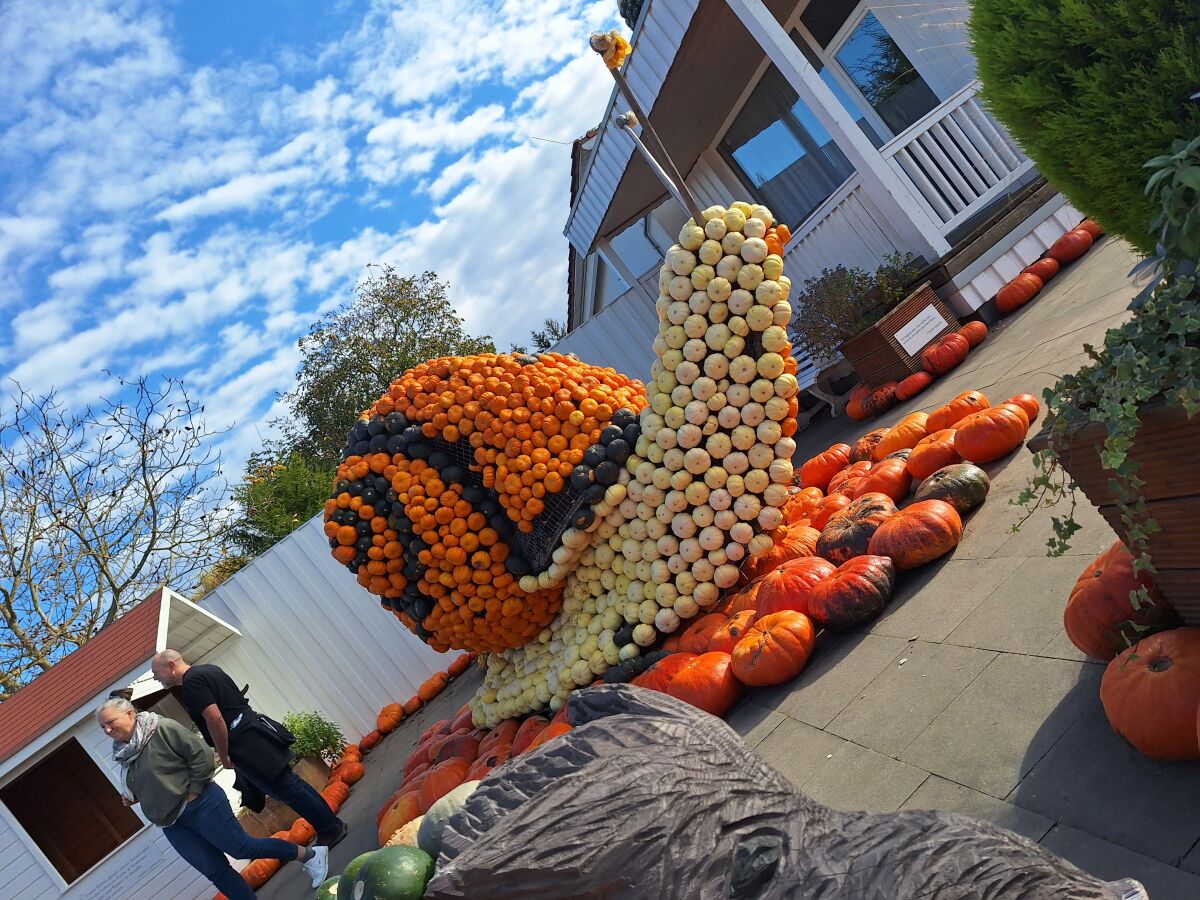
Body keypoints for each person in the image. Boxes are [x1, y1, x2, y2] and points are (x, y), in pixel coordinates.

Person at [96, 697, 328, 898]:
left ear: (129, 714)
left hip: (201, 804)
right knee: (215, 871)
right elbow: (155, 778)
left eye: (110, 722)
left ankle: (309, 855)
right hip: (171, 823)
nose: (107, 730)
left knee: (242, 848)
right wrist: (133, 796)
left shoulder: (162, 729)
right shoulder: (124, 752)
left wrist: (195, 791)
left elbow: (202, 756)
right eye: (102, 727)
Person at [150, 650, 348, 847]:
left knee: (289, 789)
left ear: (171, 666)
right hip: (252, 732)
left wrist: (224, 753)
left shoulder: (192, 683)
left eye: (156, 673)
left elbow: (215, 718)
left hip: (244, 742)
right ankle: (330, 825)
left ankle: (331, 829)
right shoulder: (208, 670)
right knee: (292, 785)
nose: (155, 678)